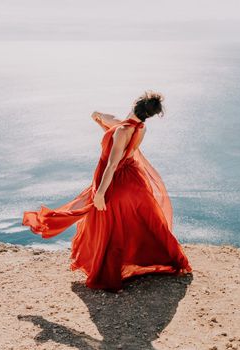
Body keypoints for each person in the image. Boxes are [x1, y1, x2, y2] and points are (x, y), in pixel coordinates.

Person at [22, 91, 192, 291]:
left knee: (107, 225)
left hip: (115, 182)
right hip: (135, 182)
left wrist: (101, 193)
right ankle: (165, 258)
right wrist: (99, 116)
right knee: (141, 224)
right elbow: (111, 121)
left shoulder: (122, 130)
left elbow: (112, 164)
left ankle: (108, 272)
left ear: (135, 103)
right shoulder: (140, 128)